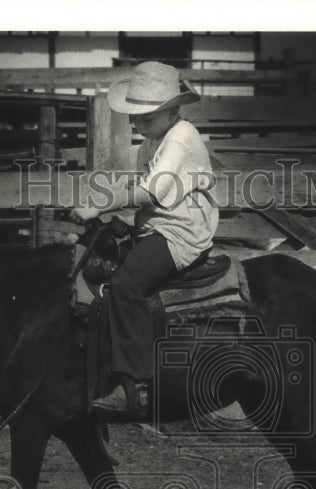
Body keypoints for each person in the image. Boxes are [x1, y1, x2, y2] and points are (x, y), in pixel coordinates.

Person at [70, 61, 219, 419]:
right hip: (156, 226)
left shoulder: (182, 137)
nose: (137, 123)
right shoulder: (154, 140)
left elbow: (154, 191)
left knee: (126, 284)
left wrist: (100, 205)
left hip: (181, 232)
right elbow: (139, 190)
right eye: (135, 116)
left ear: (172, 111)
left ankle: (136, 385)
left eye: (146, 117)